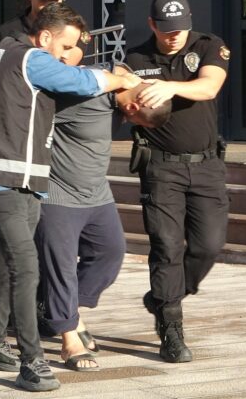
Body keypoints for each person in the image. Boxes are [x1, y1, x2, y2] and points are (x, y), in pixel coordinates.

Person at [0, 2, 139, 392]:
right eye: (65, 47)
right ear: (44, 37)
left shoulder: (4, 52)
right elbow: (86, 83)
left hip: (16, 179)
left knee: (10, 264)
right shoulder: (31, 58)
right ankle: (33, 361)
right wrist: (121, 79)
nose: (67, 57)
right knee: (25, 266)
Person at [36, 43, 172, 372]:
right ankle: (69, 339)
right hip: (58, 194)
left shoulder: (123, 90)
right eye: (134, 116)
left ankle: (61, 311)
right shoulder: (87, 92)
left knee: (110, 253)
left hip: (97, 194)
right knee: (62, 267)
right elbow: (38, 111)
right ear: (137, 101)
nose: (128, 120)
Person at [123, 0, 230, 364]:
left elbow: (210, 86)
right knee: (166, 247)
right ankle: (171, 329)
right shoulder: (136, 59)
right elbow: (125, 102)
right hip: (161, 169)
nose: (174, 36)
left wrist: (170, 86)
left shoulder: (207, 46)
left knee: (208, 245)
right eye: (166, 29)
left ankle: (162, 297)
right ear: (152, 24)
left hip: (206, 166)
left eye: (180, 28)